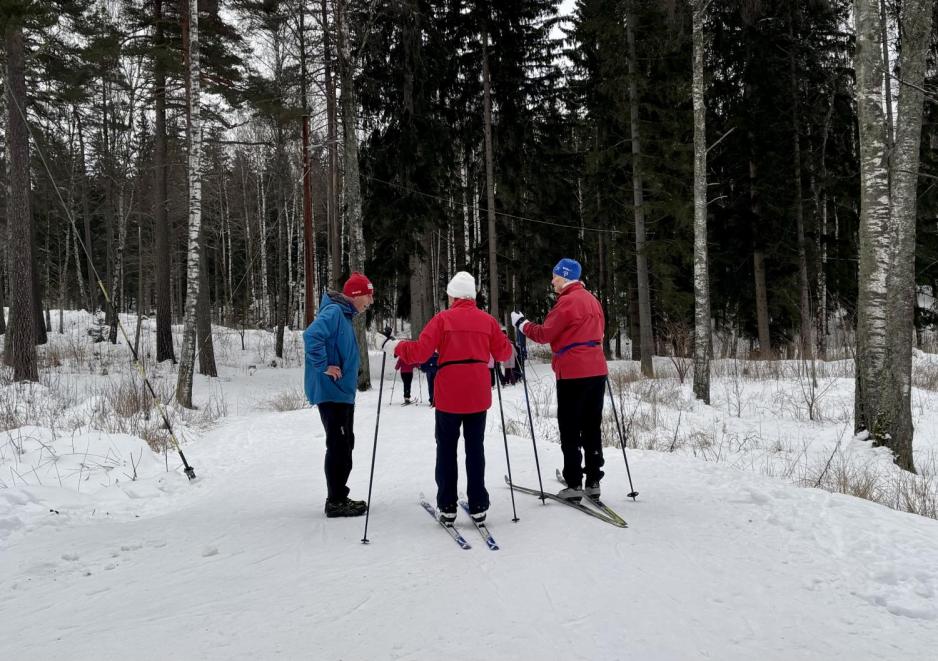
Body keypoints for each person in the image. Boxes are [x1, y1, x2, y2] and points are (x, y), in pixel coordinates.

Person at [384, 271, 512, 525]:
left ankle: (447, 505)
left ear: (453, 295)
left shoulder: (442, 319)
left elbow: (420, 352)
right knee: (475, 448)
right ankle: (478, 505)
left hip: (449, 395)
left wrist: (395, 346)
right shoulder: (487, 321)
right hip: (477, 394)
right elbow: (503, 352)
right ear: (472, 296)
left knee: (446, 449)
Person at [511, 258, 608, 502]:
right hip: (596, 370)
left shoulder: (568, 302)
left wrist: (522, 324)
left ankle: (574, 483)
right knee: (591, 425)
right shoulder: (592, 300)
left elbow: (545, 334)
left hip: (573, 372)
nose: (552, 280)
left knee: (570, 427)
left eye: (555, 276)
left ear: (564, 277)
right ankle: (593, 479)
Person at [304, 272, 375, 518]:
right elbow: (312, 336)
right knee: (338, 445)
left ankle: (339, 496)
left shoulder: (343, 315)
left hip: (341, 393)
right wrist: (324, 364)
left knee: (345, 444)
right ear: (356, 295)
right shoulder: (334, 312)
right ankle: (335, 501)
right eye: (368, 295)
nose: (370, 301)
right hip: (331, 391)